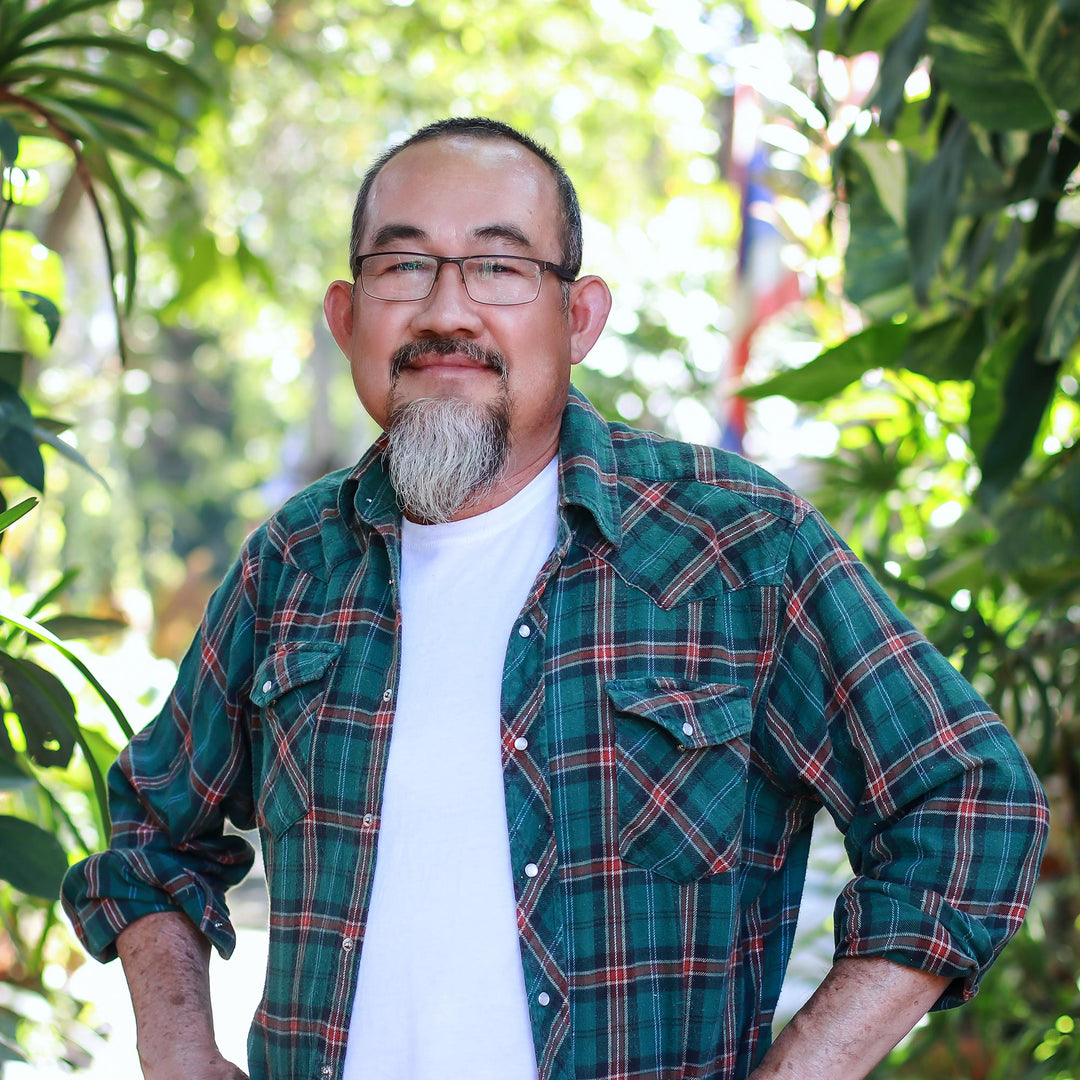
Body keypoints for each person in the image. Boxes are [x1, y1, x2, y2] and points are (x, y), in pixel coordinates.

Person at [62, 117, 1048, 1080]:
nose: (446, 310)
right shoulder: (292, 567)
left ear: (578, 318)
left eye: (499, 266)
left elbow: (968, 802)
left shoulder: (736, 547)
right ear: (346, 315)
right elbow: (154, 829)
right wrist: (179, 1050)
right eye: (403, 266)